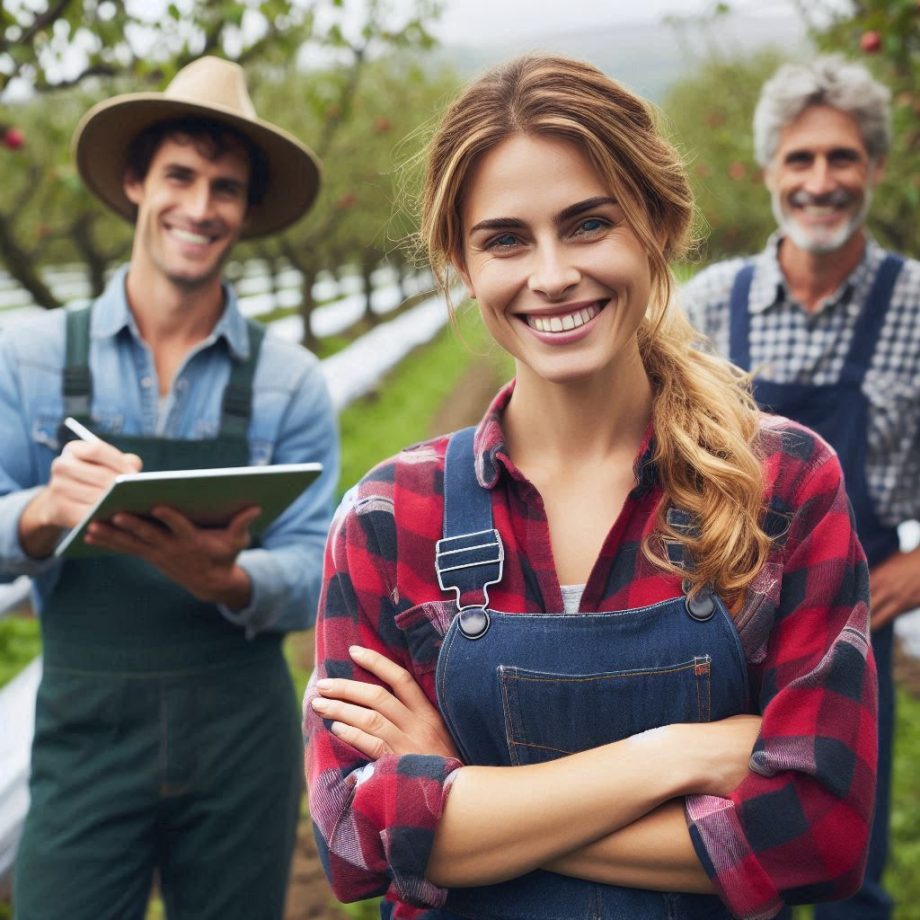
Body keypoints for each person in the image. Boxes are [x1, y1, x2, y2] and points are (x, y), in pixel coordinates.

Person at [304, 54, 877, 920]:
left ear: (656, 223)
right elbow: (355, 839)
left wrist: (462, 803)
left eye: (586, 225)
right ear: (460, 260)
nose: (550, 274)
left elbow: (820, 833)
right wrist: (676, 756)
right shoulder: (390, 519)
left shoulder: (781, 485)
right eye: (505, 239)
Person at [0, 57, 339, 919]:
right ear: (134, 183)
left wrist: (227, 578)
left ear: (248, 211)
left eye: (225, 187)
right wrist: (42, 511)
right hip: (85, 731)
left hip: (239, 736)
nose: (200, 206)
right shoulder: (31, 360)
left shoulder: (289, 381)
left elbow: (317, 570)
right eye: (179, 176)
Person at [682, 56, 920, 920]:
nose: (822, 182)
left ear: (875, 169)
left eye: (842, 159)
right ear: (770, 170)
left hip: (854, 614)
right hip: (716, 605)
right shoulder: (708, 306)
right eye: (801, 159)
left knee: (843, 847)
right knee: (721, 838)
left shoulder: (915, 306)